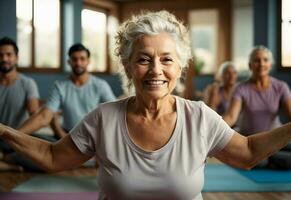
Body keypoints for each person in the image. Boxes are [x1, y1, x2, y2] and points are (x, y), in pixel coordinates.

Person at [1, 11, 291, 199]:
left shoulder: (200, 117)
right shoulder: (103, 119)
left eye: (166, 59)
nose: (155, 70)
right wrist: (3, 131)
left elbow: (249, 153)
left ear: (180, 68)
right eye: (143, 59)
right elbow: (52, 157)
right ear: (128, 68)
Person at [18, 43, 116, 138]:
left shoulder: (100, 85)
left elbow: (115, 111)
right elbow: (44, 116)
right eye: (74, 59)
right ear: (69, 62)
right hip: (67, 134)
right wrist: (12, 134)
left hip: (92, 136)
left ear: (88, 61)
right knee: (36, 140)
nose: (78, 63)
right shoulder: (60, 86)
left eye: (82, 59)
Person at [223, 46, 291, 169]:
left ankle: (269, 157)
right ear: (250, 65)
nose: (261, 64)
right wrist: (212, 129)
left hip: (275, 139)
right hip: (250, 142)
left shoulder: (281, 87)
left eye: (265, 60)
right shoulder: (241, 89)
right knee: (259, 161)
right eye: (257, 60)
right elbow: (231, 116)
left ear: (270, 64)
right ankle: (269, 158)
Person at [0, 37, 40, 171]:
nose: (4, 58)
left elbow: (35, 115)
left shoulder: (28, 83)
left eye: (9, 54)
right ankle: (10, 166)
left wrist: (15, 135)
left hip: (18, 138)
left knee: (47, 153)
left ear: (16, 58)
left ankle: (5, 159)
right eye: (1, 55)